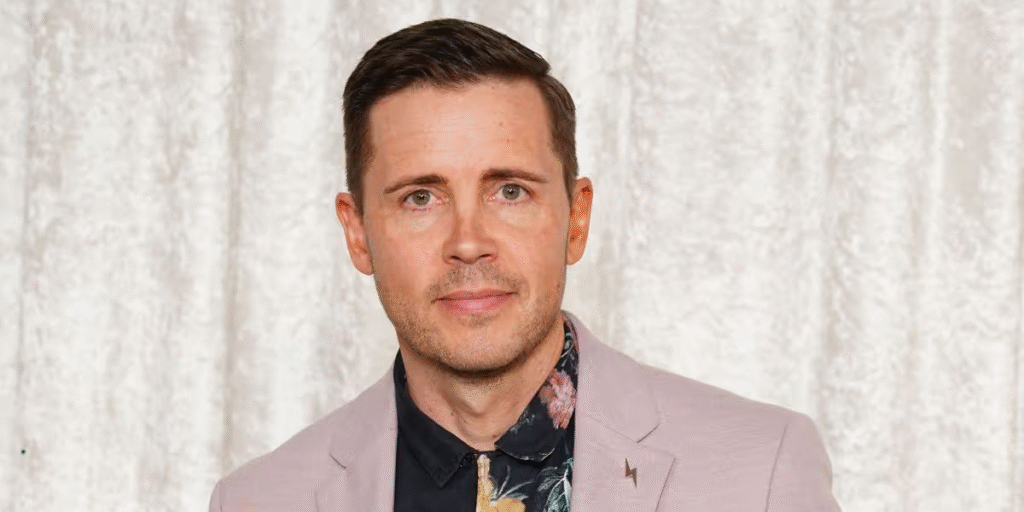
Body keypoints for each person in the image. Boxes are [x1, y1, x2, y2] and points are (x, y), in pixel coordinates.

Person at [209, 18, 840, 512]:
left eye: (509, 191)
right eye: (420, 198)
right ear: (358, 234)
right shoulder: (256, 500)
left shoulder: (761, 472)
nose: (468, 242)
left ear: (576, 219)